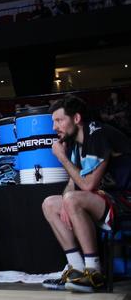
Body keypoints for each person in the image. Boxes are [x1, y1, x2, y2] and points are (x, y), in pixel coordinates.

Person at [42, 95, 131, 293]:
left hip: (125, 199)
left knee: (72, 199)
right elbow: (73, 184)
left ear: (76, 118)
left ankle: (94, 273)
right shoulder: (75, 142)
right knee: (49, 204)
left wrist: (63, 159)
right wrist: (65, 201)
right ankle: (76, 269)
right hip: (105, 199)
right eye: (53, 122)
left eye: (59, 120)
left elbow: (89, 185)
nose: (55, 127)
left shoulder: (97, 134)